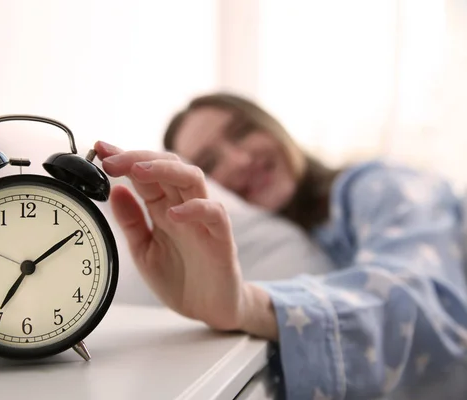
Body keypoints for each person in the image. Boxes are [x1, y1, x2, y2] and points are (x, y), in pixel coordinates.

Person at [92, 92, 467, 399]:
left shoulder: (376, 182)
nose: (240, 160)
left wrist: (248, 305)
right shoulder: (301, 237)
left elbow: (425, 300)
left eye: (241, 133)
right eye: (210, 162)